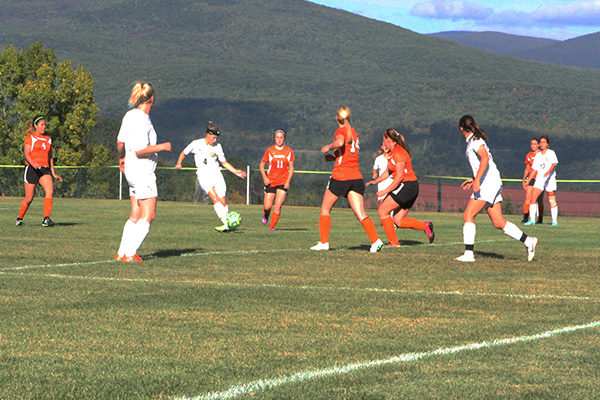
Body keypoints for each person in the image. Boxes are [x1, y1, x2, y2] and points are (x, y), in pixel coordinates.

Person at [455, 115, 538, 262]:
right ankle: (528, 241)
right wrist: (475, 178)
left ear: (461, 129)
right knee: (498, 222)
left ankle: (468, 254)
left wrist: (477, 181)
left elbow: (485, 159)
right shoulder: (473, 140)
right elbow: (482, 163)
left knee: (468, 215)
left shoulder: (474, 141)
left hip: (488, 183)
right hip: (491, 182)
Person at [310, 107, 383, 253]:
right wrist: (335, 157)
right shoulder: (354, 132)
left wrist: (329, 147)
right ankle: (376, 241)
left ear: (336, 118)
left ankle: (324, 242)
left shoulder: (341, 131)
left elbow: (340, 143)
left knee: (325, 209)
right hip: (356, 177)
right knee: (360, 214)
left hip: (341, 176)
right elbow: (347, 153)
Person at [115, 82, 171, 262]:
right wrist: (162, 146)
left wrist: (122, 158)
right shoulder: (142, 119)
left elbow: (120, 143)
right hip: (142, 171)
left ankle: (121, 252)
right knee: (149, 215)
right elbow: (140, 149)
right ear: (152, 99)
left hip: (131, 171)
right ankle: (130, 253)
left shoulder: (129, 115)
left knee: (135, 214)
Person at [366, 129, 434, 247]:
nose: (383, 143)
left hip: (408, 186)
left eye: (384, 140)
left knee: (382, 211)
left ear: (388, 140)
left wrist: (385, 191)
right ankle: (425, 226)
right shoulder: (393, 152)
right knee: (398, 220)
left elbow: (399, 177)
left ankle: (394, 242)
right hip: (410, 187)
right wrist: (376, 181)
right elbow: (389, 171)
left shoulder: (398, 152)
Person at [175, 121, 247, 232]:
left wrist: (236, 172)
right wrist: (179, 163)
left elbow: (224, 162)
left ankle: (226, 222)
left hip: (217, 174)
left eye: (216, 138)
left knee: (222, 201)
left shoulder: (218, 147)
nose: (215, 140)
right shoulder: (196, 143)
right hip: (203, 175)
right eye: (213, 138)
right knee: (214, 198)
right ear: (208, 134)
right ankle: (226, 224)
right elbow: (184, 152)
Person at [16, 115, 63, 227]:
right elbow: (27, 154)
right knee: (28, 198)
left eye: (45, 124)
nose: (44, 127)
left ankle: (46, 219)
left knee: (49, 191)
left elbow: (50, 157)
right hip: (32, 169)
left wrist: (53, 172)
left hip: (44, 169)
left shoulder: (48, 139)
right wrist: (33, 164)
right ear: (35, 126)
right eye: (42, 125)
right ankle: (19, 218)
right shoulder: (30, 137)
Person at [259, 129, 295, 231]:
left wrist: (288, 181)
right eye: (277, 137)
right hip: (271, 181)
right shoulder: (270, 151)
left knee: (278, 206)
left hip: (283, 181)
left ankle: (272, 227)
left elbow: (291, 167)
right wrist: (265, 178)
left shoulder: (289, 151)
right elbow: (262, 164)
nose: (279, 140)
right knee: (267, 206)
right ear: (274, 138)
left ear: (284, 139)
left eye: (281, 137)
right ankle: (266, 214)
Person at [525, 135, 558, 226]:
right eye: (541, 142)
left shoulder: (551, 153)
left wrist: (548, 172)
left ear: (547, 144)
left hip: (550, 179)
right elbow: (534, 169)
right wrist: (528, 181)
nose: (542, 144)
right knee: (533, 198)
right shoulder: (538, 156)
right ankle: (532, 220)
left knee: (552, 200)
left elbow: (553, 164)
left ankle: (554, 221)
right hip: (540, 179)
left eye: (544, 142)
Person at [521, 138, 545, 224]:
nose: (533, 146)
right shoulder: (529, 155)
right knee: (528, 197)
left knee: (539, 200)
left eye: (535, 144)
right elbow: (527, 169)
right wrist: (524, 180)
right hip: (531, 178)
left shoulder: (542, 154)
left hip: (540, 178)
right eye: (531, 144)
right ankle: (525, 217)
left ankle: (540, 218)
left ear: (538, 145)